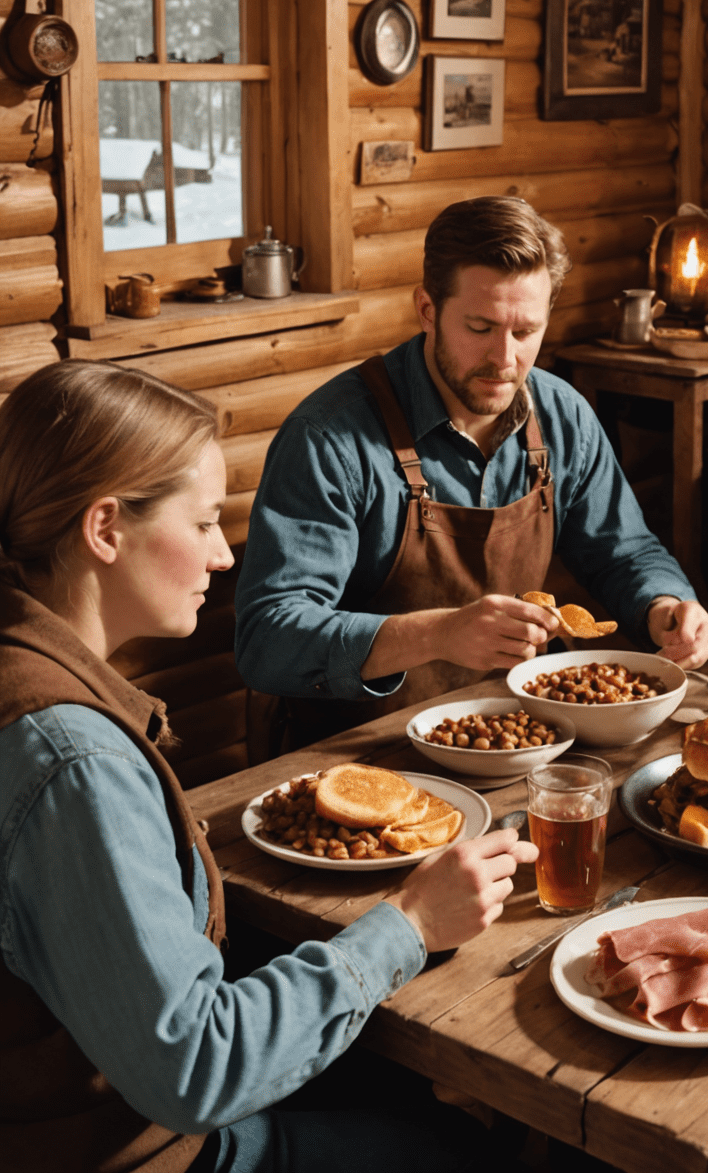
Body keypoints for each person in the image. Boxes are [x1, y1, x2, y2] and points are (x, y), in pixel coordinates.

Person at [0, 359, 541, 1173]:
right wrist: (411, 924)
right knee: (476, 1144)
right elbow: (195, 1068)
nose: (224, 557)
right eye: (206, 522)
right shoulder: (74, 765)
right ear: (105, 528)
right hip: (140, 1152)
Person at [235, 197, 708, 726]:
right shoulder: (329, 438)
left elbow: (623, 551)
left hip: (519, 730)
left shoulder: (561, 415)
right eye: (481, 328)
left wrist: (665, 606)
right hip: (363, 750)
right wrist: (438, 634)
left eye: (526, 332)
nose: (505, 360)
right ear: (427, 310)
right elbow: (268, 640)